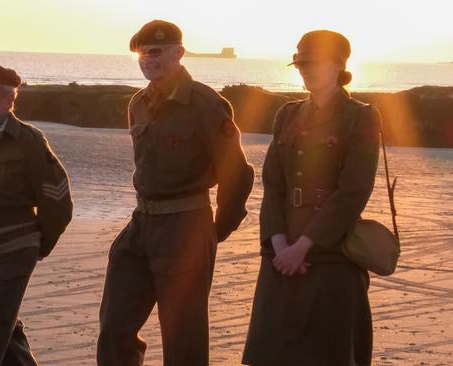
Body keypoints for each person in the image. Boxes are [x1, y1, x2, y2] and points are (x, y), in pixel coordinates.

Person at [97, 20, 255, 366]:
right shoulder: (138, 103)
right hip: (140, 226)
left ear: (178, 53)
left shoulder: (204, 103)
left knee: (183, 338)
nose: (146, 60)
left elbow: (238, 173)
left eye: (155, 52)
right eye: (141, 54)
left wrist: (214, 230)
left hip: (185, 226)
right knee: (114, 328)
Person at [242, 30, 381, 366]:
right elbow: (273, 186)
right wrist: (279, 248)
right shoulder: (287, 114)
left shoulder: (360, 117)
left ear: (338, 65)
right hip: (280, 254)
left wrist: (303, 247)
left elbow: (354, 191)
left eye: (312, 63)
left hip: (332, 255)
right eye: (300, 63)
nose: (304, 69)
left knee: (328, 356)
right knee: (273, 355)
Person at [0, 64, 73, 366]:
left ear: (9, 101)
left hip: (13, 250)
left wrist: (35, 245)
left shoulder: (28, 140)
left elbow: (58, 202)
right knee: (6, 332)